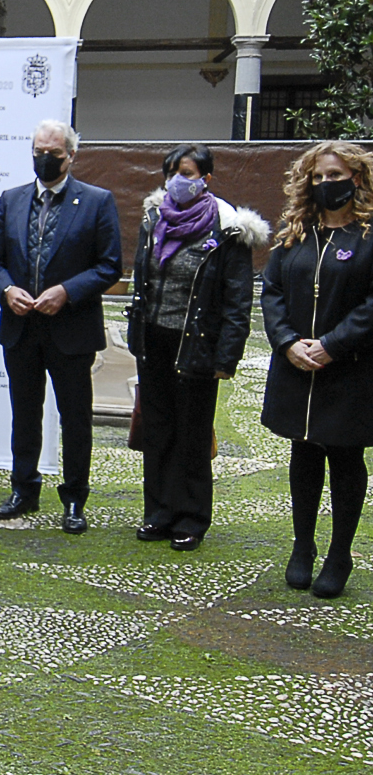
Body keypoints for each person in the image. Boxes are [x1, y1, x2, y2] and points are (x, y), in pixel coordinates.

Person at [127, 143, 267, 551]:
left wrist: (227, 356)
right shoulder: (154, 218)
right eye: (172, 172)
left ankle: (190, 517)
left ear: (206, 179)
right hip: (153, 341)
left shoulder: (227, 228)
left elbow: (238, 299)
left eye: (187, 173)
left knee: (191, 433)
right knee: (158, 431)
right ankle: (158, 513)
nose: (178, 181)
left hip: (198, 346)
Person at [0, 119, 121, 532]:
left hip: (71, 329)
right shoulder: (12, 199)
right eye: (38, 152)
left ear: (71, 156)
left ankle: (75, 498)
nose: (44, 159)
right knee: (24, 414)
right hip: (21, 327)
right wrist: (7, 290)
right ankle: (24, 489)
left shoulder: (97, 201)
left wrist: (67, 291)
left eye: (53, 154)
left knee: (75, 418)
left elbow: (110, 265)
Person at [261, 141, 373, 599]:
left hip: (349, 368)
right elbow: (270, 292)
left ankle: (339, 554)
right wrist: (287, 341)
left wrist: (331, 344)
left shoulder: (368, 237)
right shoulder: (295, 235)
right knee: (303, 454)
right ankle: (302, 547)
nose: (327, 183)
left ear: (358, 179)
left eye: (336, 175)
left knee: (345, 457)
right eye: (319, 177)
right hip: (296, 368)